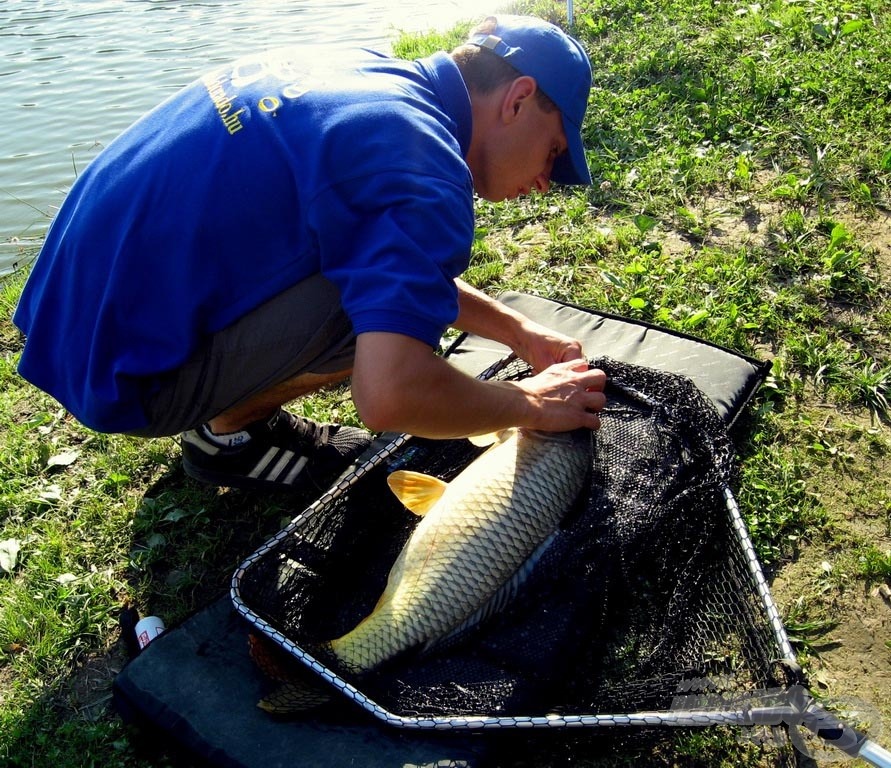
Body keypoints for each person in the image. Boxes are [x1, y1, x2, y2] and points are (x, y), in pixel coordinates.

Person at [13, 14, 607, 493]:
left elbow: (386, 257)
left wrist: (518, 332)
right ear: (518, 99)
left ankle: (222, 406)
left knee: (372, 273)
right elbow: (390, 394)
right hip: (121, 378)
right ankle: (229, 437)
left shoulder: (368, 75)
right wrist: (530, 403)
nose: (545, 181)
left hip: (66, 318)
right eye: (553, 153)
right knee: (381, 324)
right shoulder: (425, 166)